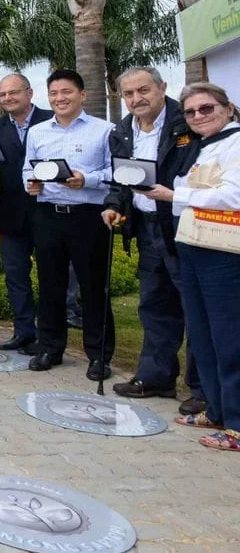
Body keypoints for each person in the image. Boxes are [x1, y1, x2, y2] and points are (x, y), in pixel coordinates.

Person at [146, 82, 240, 450]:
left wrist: (176, 195)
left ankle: (237, 423)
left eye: (207, 108)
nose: (198, 116)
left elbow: (233, 195)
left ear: (228, 108)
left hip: (225, 253)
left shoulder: (236, 142)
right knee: (203, 335)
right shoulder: (205, 146)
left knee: (229, 338)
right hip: (194, 246)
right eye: (190, 112)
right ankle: (217, 409)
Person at [102, 67, 203, 405]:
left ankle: (203, 390)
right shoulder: (122, 131)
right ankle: (156, 377)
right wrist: (114, 205)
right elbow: (121, 179)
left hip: (183, 227)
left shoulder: (186, 122)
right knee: (154, 304)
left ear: (162, 88)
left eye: (143, 90)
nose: (136, 99)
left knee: (195, 308)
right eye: (129, 94)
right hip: (147, 228)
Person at [21, 69, 115, 379]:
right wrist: (31, 184)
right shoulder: (38, 132)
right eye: (54, 93)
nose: (60, 98)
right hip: (48, 215)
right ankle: (50, 347)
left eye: (67, 92)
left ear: (82, 95)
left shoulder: (104, 130)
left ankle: (99, 356)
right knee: (50, 285)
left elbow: (115, 173)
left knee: (93, 288)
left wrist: (86, 179)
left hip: (88, 216)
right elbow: (27, 170)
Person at [0, 74, 54, 353]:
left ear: (29, 93)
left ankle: (49, 336)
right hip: (10, 213)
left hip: (47, 212)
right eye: (3, 94)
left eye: (13, 93)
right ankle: (23, 332)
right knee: (15, 276)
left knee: (50, 276)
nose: (7, 98)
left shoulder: (51, 120)